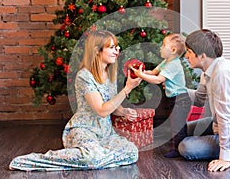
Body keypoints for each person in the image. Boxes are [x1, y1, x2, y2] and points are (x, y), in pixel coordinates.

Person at [9, 30, 142, 171]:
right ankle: (34, 161)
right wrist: (127, 89)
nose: (117, 50)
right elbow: (102, 110)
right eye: (111, 47)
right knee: (91, 157)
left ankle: (97, 158)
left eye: (117, 47)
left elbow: (111, 105)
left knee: (132, 152)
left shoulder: (110, 75)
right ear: (97, 50)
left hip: (106, 133)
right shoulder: (84, 76)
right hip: (84, 130)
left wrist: (123, 111)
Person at [178, 29, 230, 172]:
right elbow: (199, 99)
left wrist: (224, 158)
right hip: (219, 124)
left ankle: (225, 149)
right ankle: (213, 140)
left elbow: (226, 118)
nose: (186, 56)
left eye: (189, 52)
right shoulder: (208, 70)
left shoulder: (223, 73)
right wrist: (177, 89)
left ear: (202, 56)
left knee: (185, 147)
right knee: (184, 128)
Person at [132, 33, 191, 158]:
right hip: (172, 98)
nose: (160, 47)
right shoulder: (166, 61)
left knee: (177, 125)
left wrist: (142, 76)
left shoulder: (174, 64)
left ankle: (179, 149)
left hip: (180, 99)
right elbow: (153, 73)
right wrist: (141, 72)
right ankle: (181, 145)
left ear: (173, 50)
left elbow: (158, 80)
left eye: (163, 45)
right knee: (176, 123)